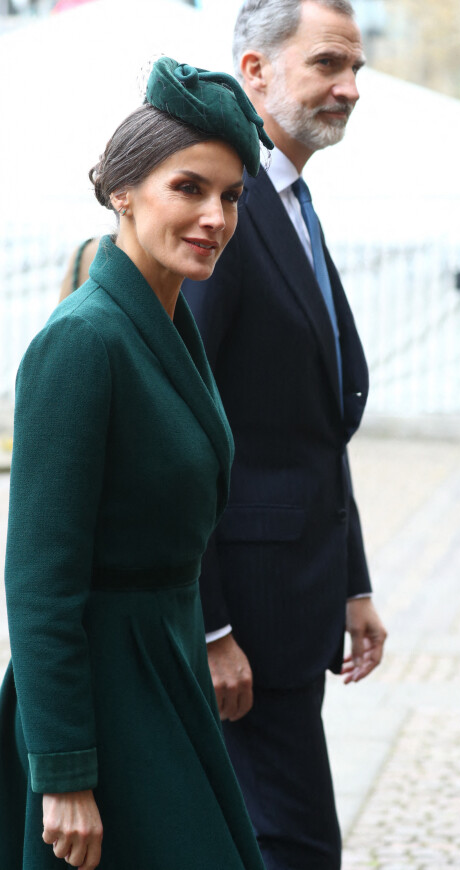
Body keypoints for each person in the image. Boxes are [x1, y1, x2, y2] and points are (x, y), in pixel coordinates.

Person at [0, 56, 273, 870]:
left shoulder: (166, 327)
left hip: (164, 670)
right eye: (188, 188)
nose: (215, 217)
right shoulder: (84, 340)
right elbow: (40, 580)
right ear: (123, 190)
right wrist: (64, 773)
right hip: (101, 697)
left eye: (230, 197)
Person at [180, 2, 388, 868]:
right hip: (247, 627)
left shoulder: (292, 199)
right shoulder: (222, 210)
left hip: (299, 606)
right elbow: (185, 430)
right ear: (255, 72)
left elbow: (310, 427)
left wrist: (353, 582)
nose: (349, 88)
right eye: (328, 65)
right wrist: (213, 628)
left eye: (357, 70)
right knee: (297, 845)